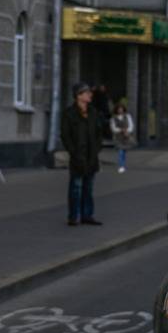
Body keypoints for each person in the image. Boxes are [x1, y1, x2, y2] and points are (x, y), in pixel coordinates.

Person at [60, 82, 103, 226]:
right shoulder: (69, 114)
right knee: (76, 188)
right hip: (78, 157)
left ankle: (87, 215)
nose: (90, 95)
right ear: (78, 96)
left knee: (88, 188)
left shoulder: (93, 112)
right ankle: (74, 216)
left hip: (91, 156)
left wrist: (97, 149)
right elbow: (65, 136)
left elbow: (98, 133)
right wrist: (73, 152)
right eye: (86, 93)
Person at [111, 101, 135, 173]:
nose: (120, 110)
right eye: (118, 109)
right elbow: (113, 128)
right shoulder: (113, 118)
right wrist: (121, 130)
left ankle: (123, 164)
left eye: (121, 109)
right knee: (120, 151)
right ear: (116, 110)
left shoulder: (127, 116)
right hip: (118, 137)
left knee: (124, 151)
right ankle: (121, 166)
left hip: (126, 136)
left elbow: (131, 125)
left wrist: (127, 131)